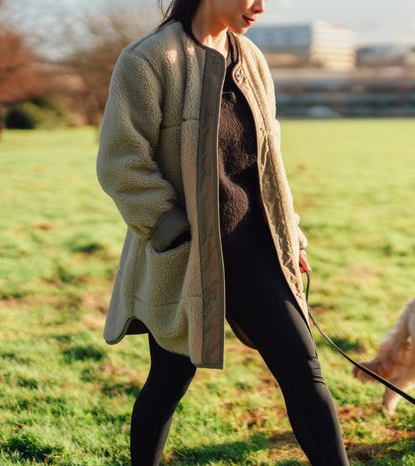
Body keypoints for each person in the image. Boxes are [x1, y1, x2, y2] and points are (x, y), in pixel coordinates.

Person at [95, 0, 350, 464]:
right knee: (168, 382)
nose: (261, 5)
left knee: (304, 371)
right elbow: (121, 162)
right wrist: (172, 230)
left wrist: (291, 237)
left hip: (257, 252)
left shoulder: (251, 59)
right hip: (187, 257)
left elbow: (270, 163)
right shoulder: (148, 60)